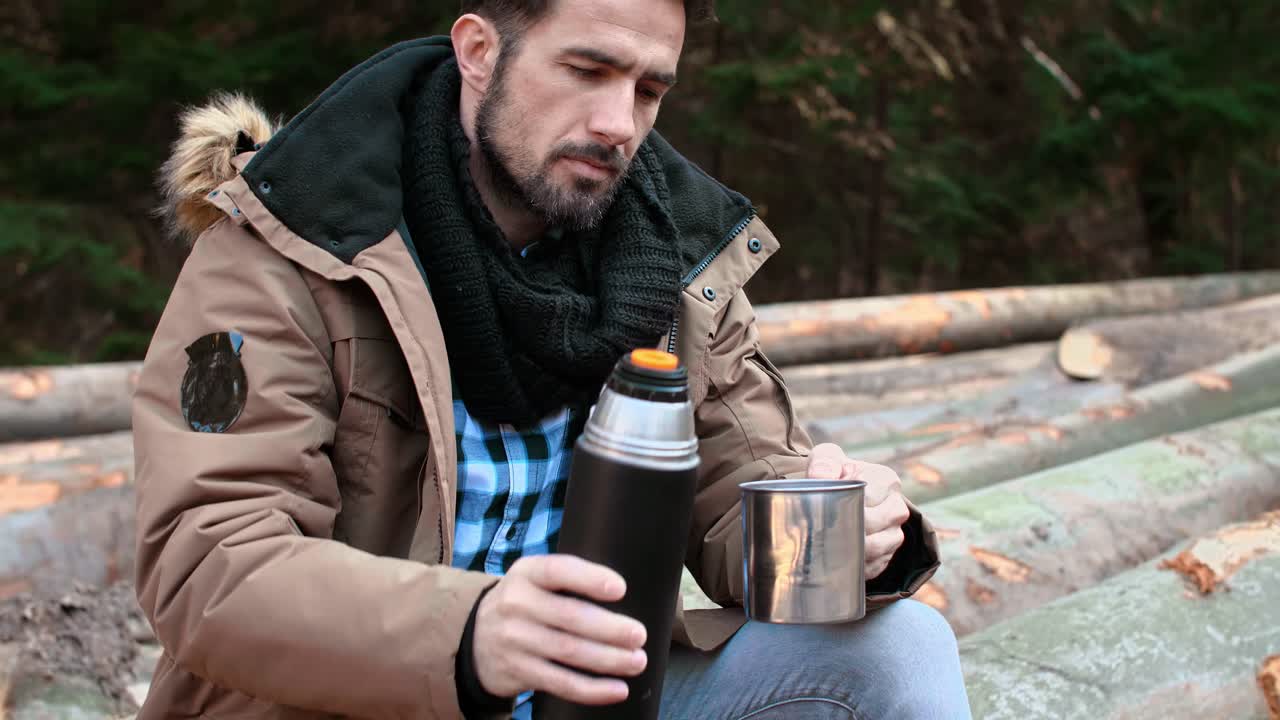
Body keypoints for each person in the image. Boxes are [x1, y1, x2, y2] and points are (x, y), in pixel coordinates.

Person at [133, 1, 970, 718]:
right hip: (356, 702)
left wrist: (841, 533)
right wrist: (472, 633)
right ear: (479, 51)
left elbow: (735, 514)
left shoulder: (677, 262)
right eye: (587, 70)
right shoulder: (292, 245)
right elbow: (208, 563)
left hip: (592, 698)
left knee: (898, 650)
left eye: (648, 90)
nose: (618, 124)